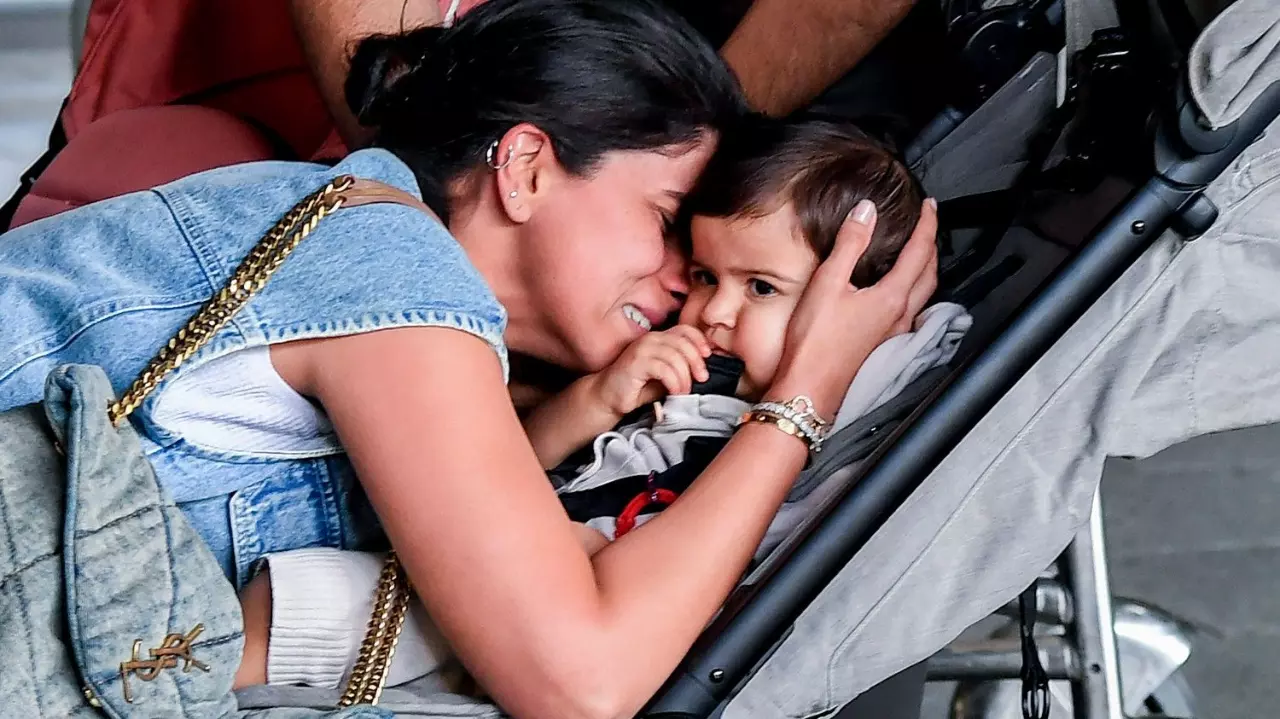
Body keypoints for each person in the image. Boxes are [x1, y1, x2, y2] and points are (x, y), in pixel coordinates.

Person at [0, 2, 938, 717]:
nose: (683, 282)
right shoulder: (391, 275)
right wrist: (808, 394)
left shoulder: (380, 252)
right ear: (526, 167)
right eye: (663, 222)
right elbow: (583, 682)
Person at [231, 113, 966, 694]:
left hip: (574, 603)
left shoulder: (855, 396)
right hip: (508, 571)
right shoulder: (684, 379)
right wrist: (598, 399)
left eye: (762, 288)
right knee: (299, 589)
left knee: (316, 600)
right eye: (707, 275)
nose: (713, 310)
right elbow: (509, 461)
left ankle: (184, 670)